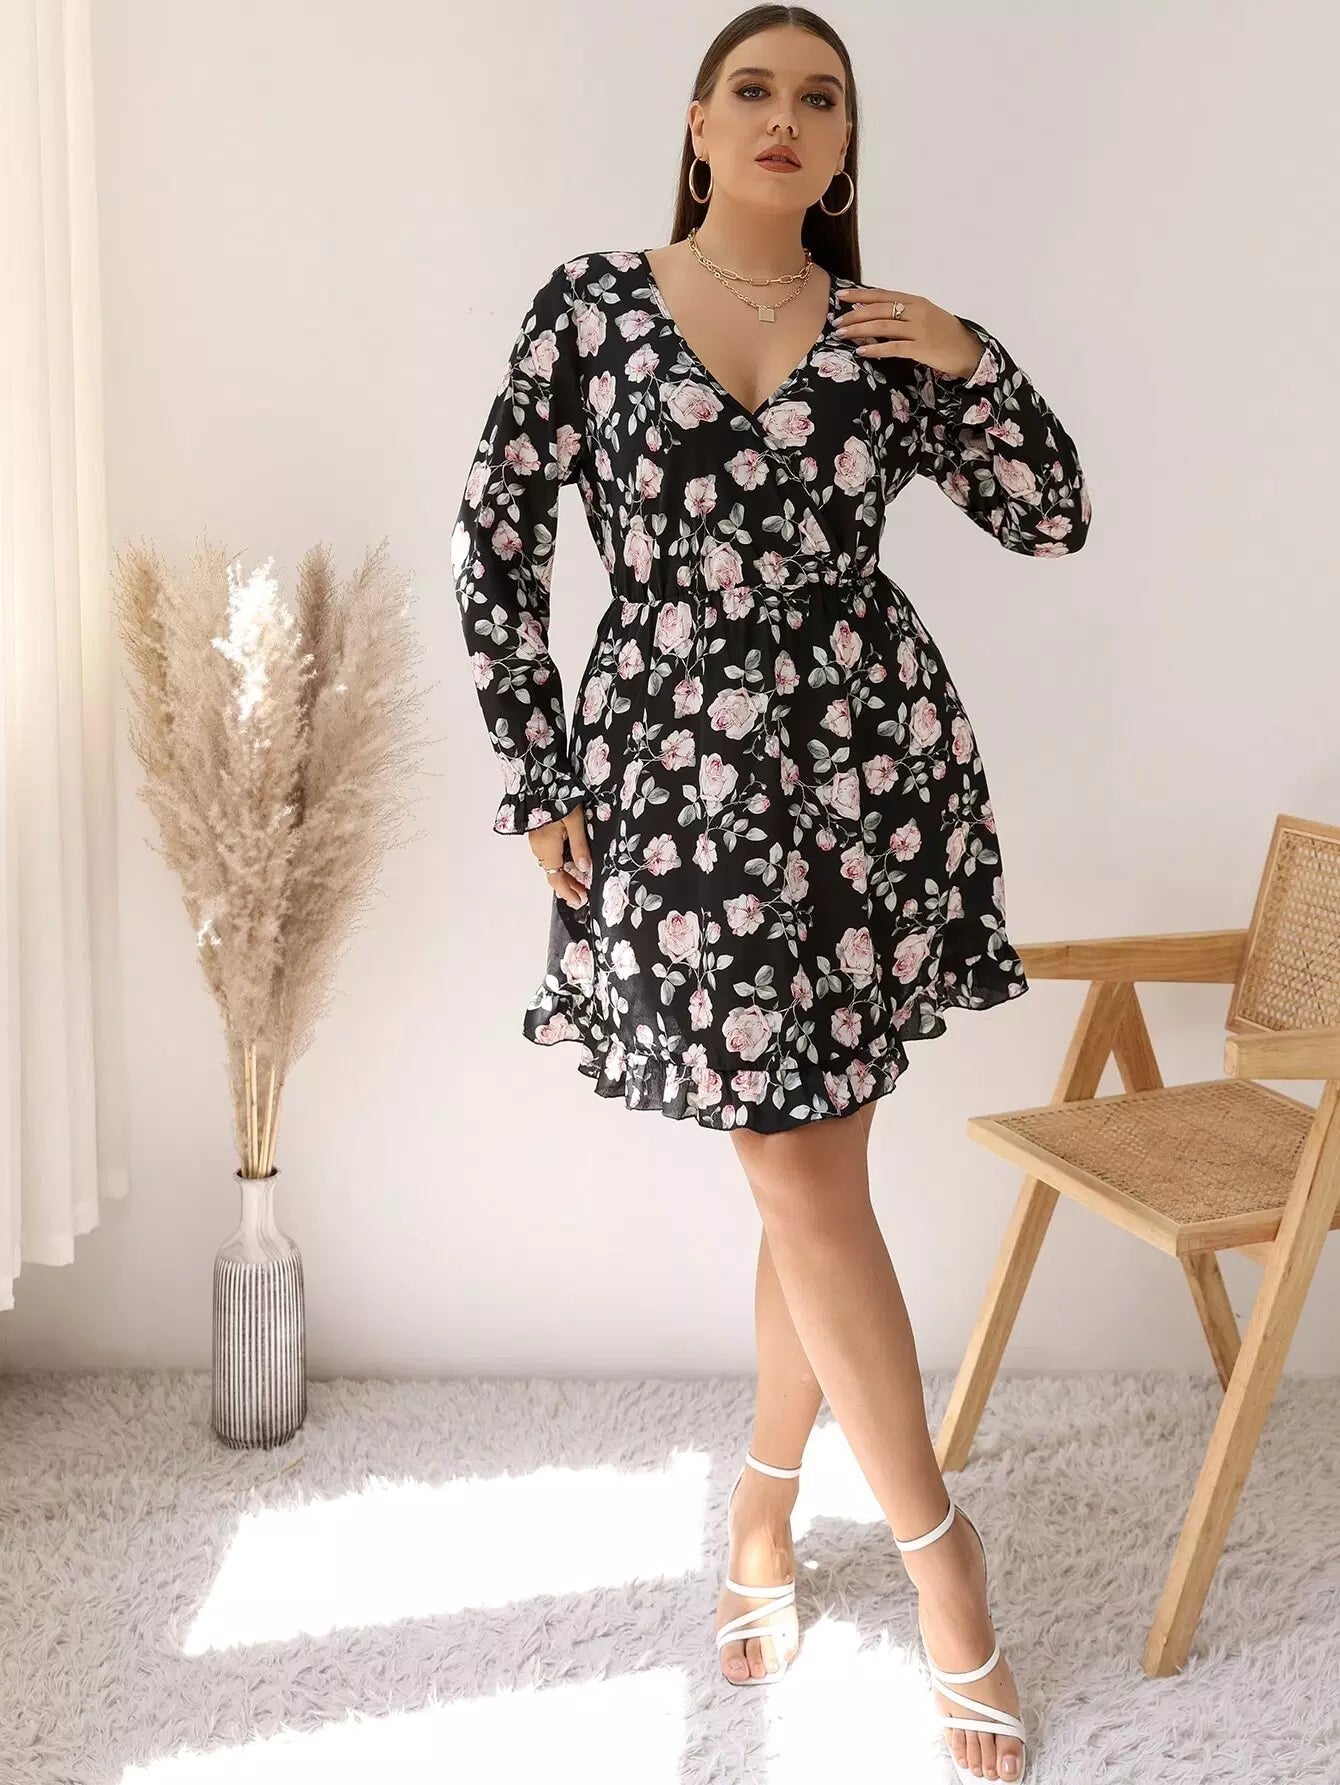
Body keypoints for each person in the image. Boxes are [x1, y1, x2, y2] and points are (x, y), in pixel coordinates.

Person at [452, 8, 1090, 1780]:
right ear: (698, 123)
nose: (786, 117)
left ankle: (761, 1507)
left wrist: (973, 357)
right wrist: (536, 771)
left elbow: (1053, 515)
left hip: (867, 780)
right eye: (754, 90)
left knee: (813, 1180)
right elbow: (495, 539)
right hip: (674, 788)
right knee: (801, 1175)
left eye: (822, 97)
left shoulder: (883, 335)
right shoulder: (591, 307)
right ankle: (942, 1563)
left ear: (846, 144)